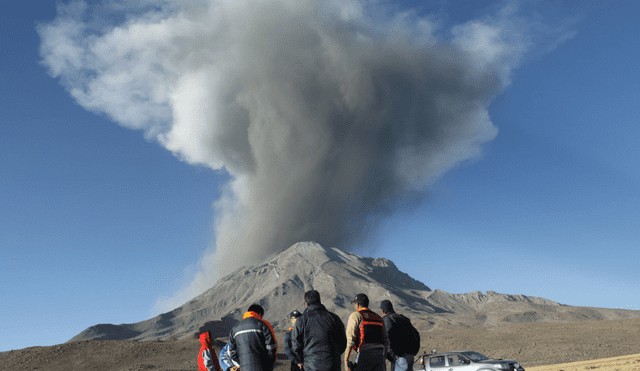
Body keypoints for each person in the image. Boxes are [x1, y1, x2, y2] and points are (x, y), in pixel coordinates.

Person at [292, 290, 347, 371]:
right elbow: (343, 342)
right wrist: (334, 355)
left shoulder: (301, 321)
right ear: (320, 301)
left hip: (311, 366)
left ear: (307, 304)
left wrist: (302, 360)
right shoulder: (334, 318)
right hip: (333, 365)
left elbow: (295, 345)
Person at [344, 293, 388, 371]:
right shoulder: (379, 318)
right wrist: (383, 358)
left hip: (364, 354)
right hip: (379, 355)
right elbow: (386, 341)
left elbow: (350, 340)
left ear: (357, 304)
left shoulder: (356, 316)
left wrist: (346, 360)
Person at [228, 304, 278, 371]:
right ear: (259, 314)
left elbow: (232, 351)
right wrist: (269, 363)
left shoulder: (235, 328)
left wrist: (242, 364)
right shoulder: (262, 324)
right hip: (262, 367)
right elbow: (271, 346)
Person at [380, 300, 421, 371]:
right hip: (410, 355)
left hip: (400, 357)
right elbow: (416, 334)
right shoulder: (404, 318)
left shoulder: (387, 319)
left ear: (383, 311)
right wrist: (414, 351)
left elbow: (387, 337)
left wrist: (392, 356)